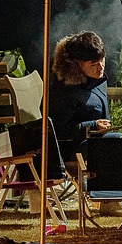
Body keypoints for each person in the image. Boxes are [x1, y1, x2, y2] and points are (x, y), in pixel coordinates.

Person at [47, 30, 111, 164]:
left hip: (96, 142)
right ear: (77, 63)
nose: (101, 68)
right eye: (94, 64)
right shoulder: (63, 90)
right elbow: (55, 130)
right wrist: (92, 126)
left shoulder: (94, 79)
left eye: (102, 60)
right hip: (70, 151)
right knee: (120, 145)